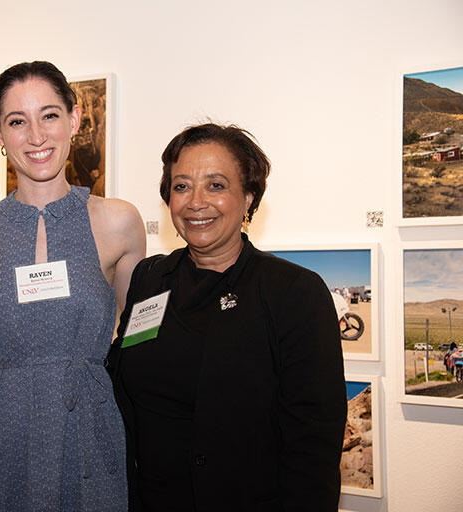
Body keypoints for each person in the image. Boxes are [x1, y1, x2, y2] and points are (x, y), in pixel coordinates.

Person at [0, 61, 145, 510]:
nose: (37, 136)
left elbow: (137, 342)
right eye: (17, 121)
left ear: (75, 119)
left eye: (49, 115)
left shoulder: (118, 221)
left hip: (88, 422)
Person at [106, 123, 347, 511]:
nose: (196, 202)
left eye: (216, 185)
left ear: (249, 197)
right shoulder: (149, 280)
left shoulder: (292, 292)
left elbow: (314, 445)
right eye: (181, 186)